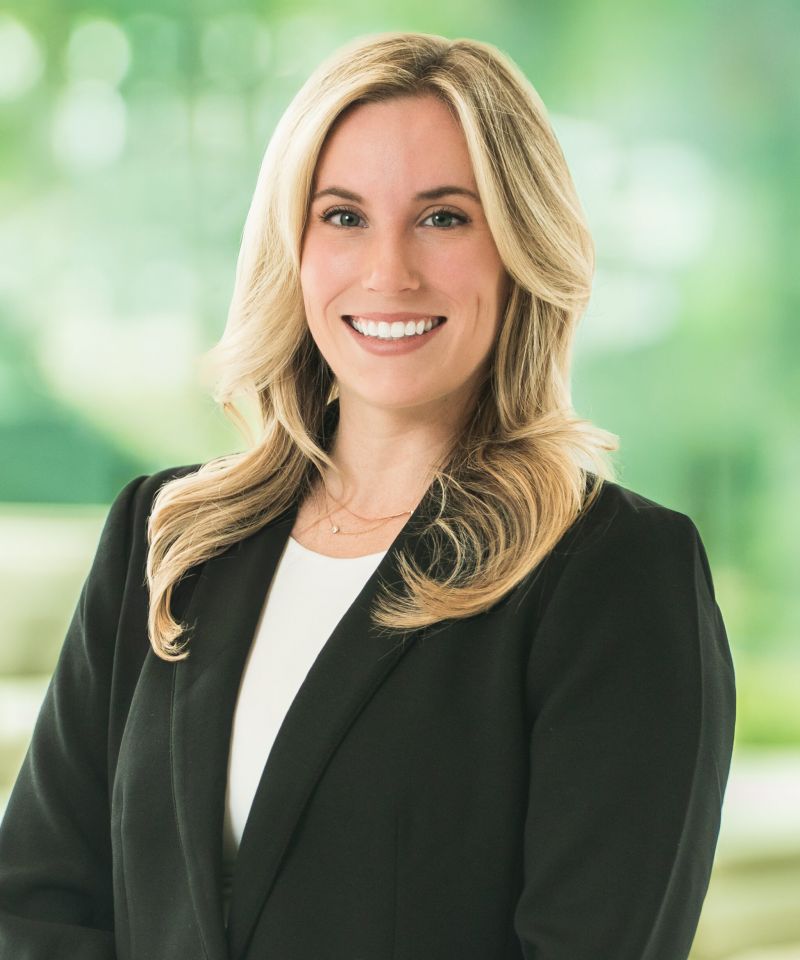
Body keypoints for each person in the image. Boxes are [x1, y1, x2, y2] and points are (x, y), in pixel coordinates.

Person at [0, 31, 735, 960]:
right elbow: (35, 904)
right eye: (343, 216)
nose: (389, 271)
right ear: (293, 247)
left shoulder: (615, 574)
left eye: (444, 217)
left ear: (520, 247)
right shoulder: (167, 538)